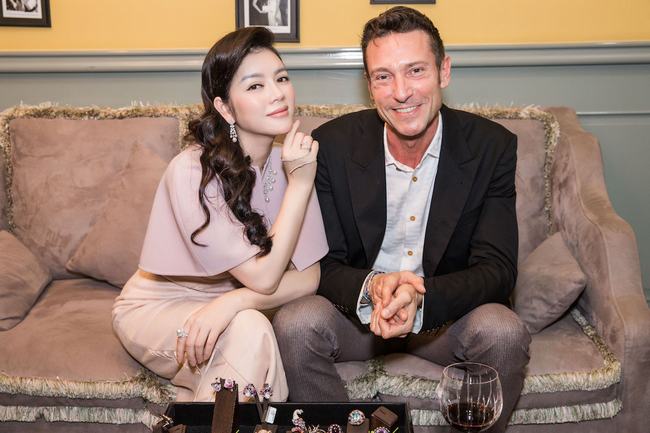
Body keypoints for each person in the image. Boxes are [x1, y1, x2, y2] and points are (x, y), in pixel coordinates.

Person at [273, 7, 530, 432]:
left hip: (444, 319)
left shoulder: (492, 146)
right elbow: (325, 264)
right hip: (358, 317)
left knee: (504, 332)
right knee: (295, 323)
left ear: (443, 71)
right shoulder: (332, 145)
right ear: (369, 85)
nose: (401, 92)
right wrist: (374, 287)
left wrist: (419, 298)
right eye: (383, 76)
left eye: (415, 71)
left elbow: (498, 270)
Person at [112, 27, 328, 403]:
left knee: (250, 327)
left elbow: (310, 277)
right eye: (255, 85)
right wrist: (299, 185)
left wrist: (233, 303)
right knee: (253, 331)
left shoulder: (293, 161)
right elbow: (265, 278)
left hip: (231, 308)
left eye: (281, 79)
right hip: (160, 305)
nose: (277, 93)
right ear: (225, 108)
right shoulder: (192, 170)